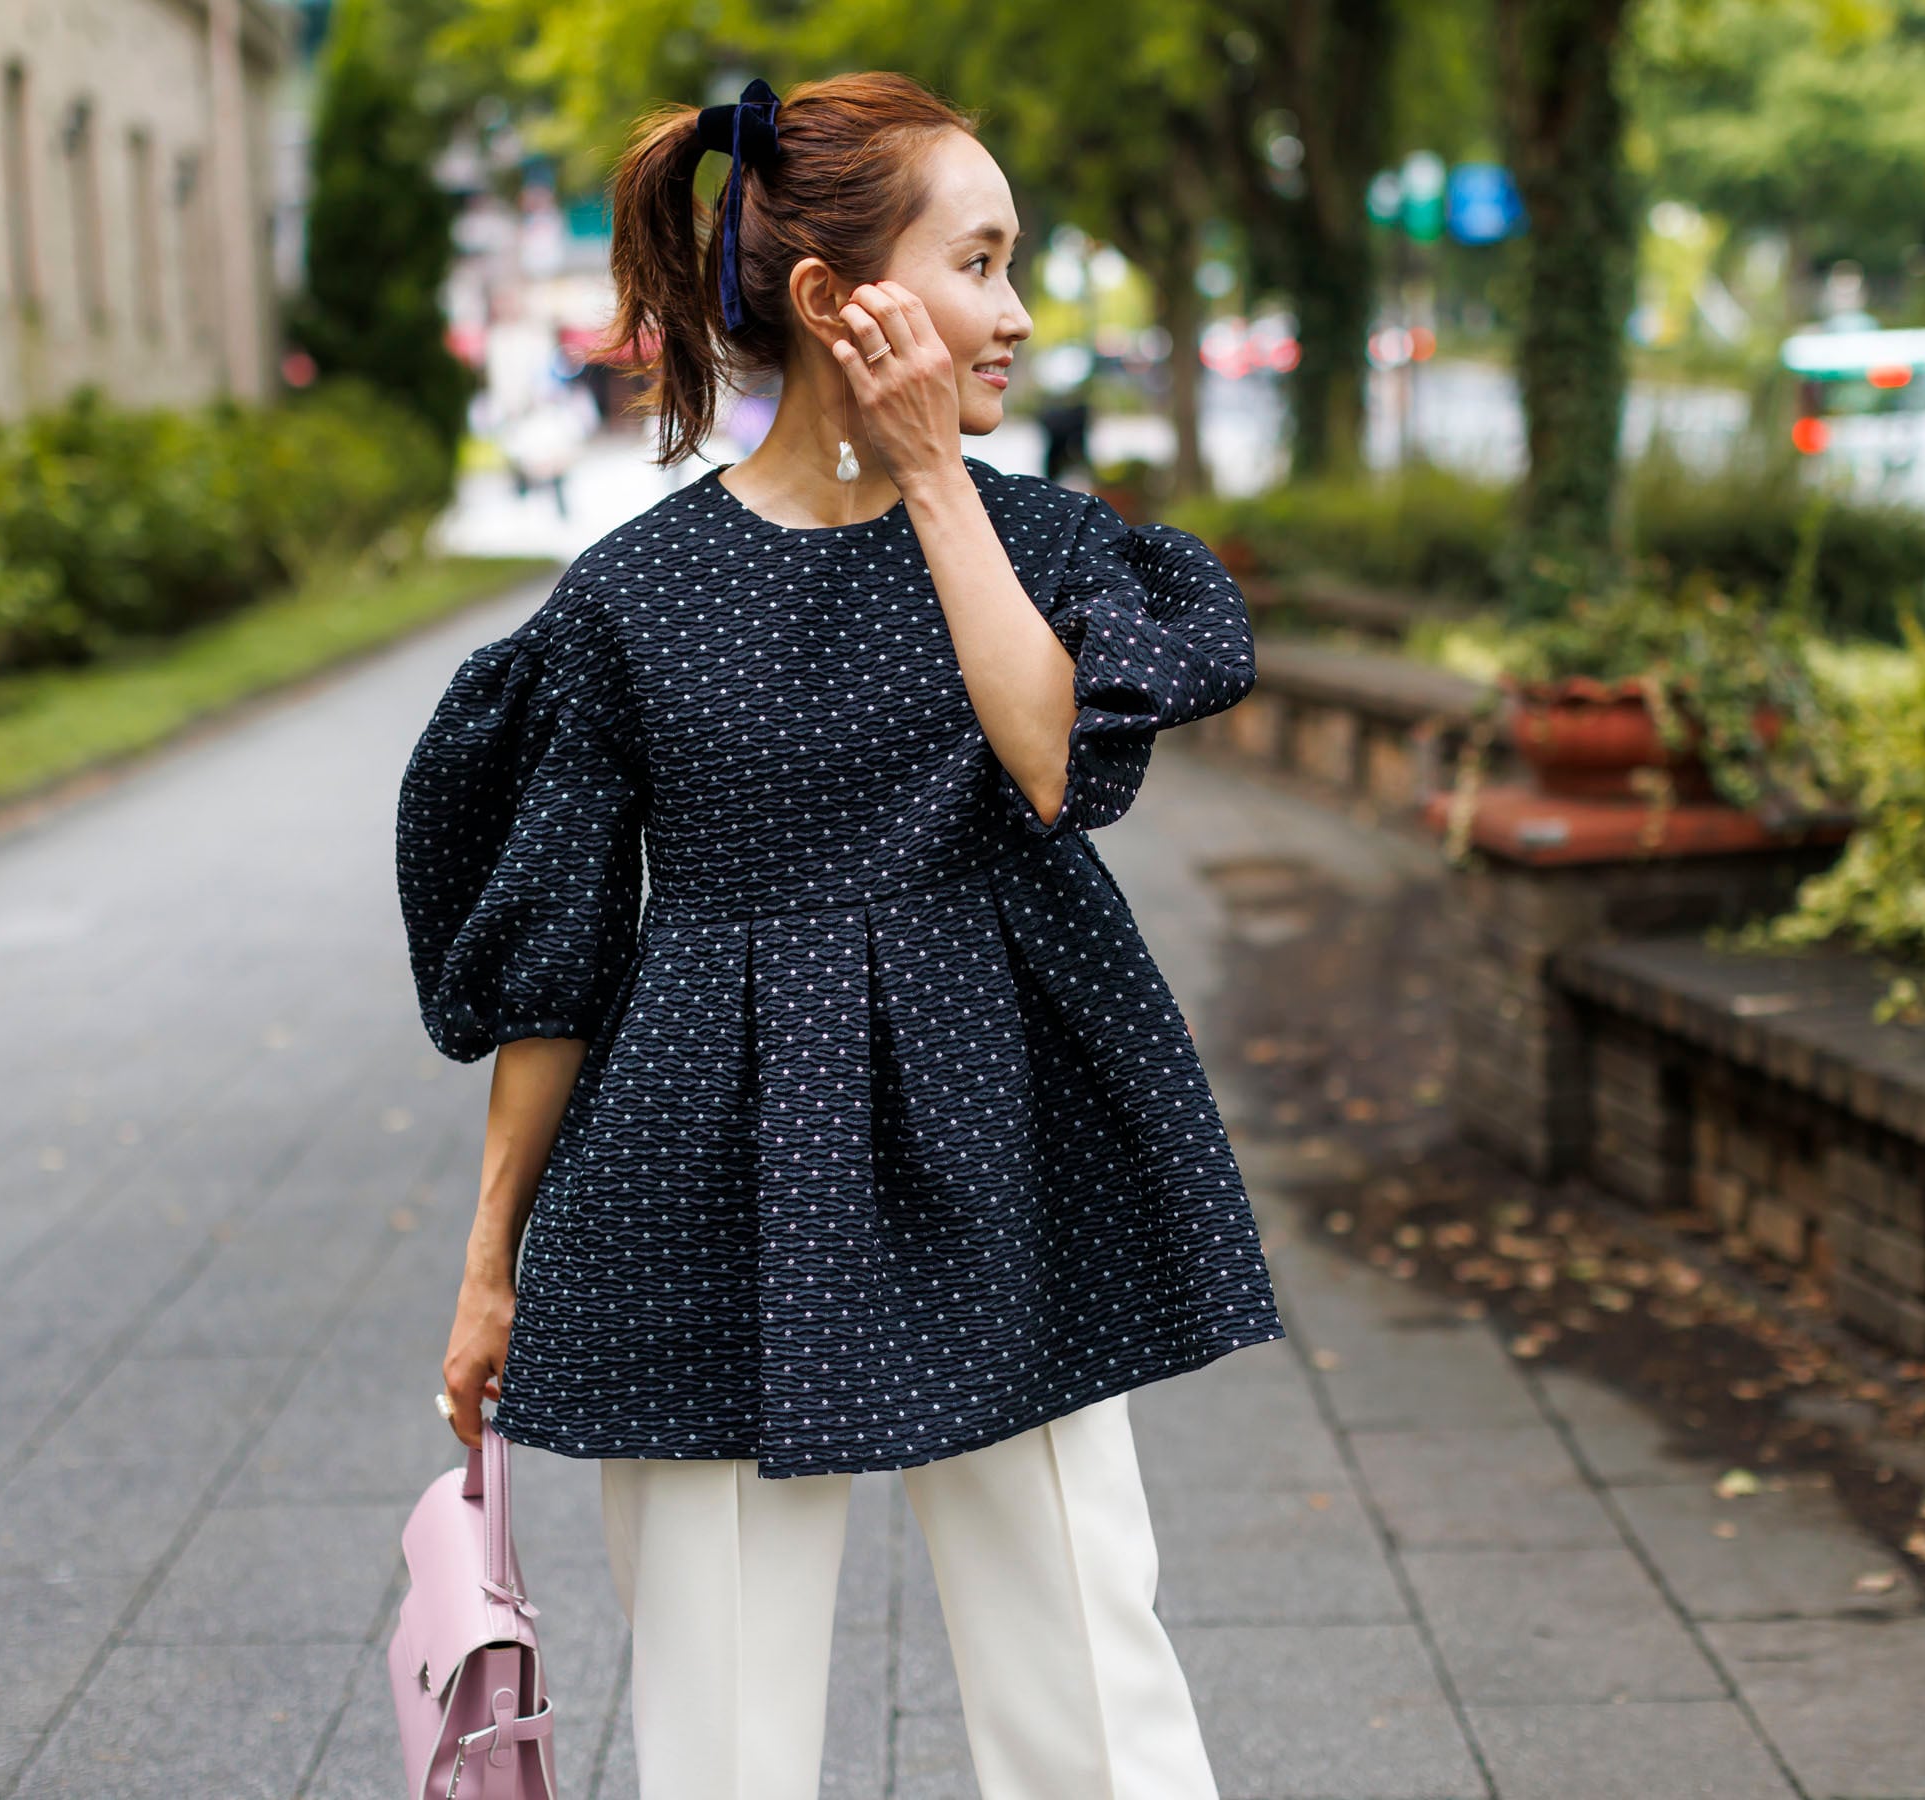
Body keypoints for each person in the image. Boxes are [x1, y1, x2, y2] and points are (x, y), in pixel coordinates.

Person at [395, 71, 1283, 1800]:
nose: (1018, 311)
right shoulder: (629, 600)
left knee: (1088, 1664)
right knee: (718, 1725)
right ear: (836, 299)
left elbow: (1053, 767)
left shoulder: (1038, 539)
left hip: (995, 1125)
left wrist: (940, 477)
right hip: (698, 1163)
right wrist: (492, 1258)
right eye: (982, 260)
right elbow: (563, 958)